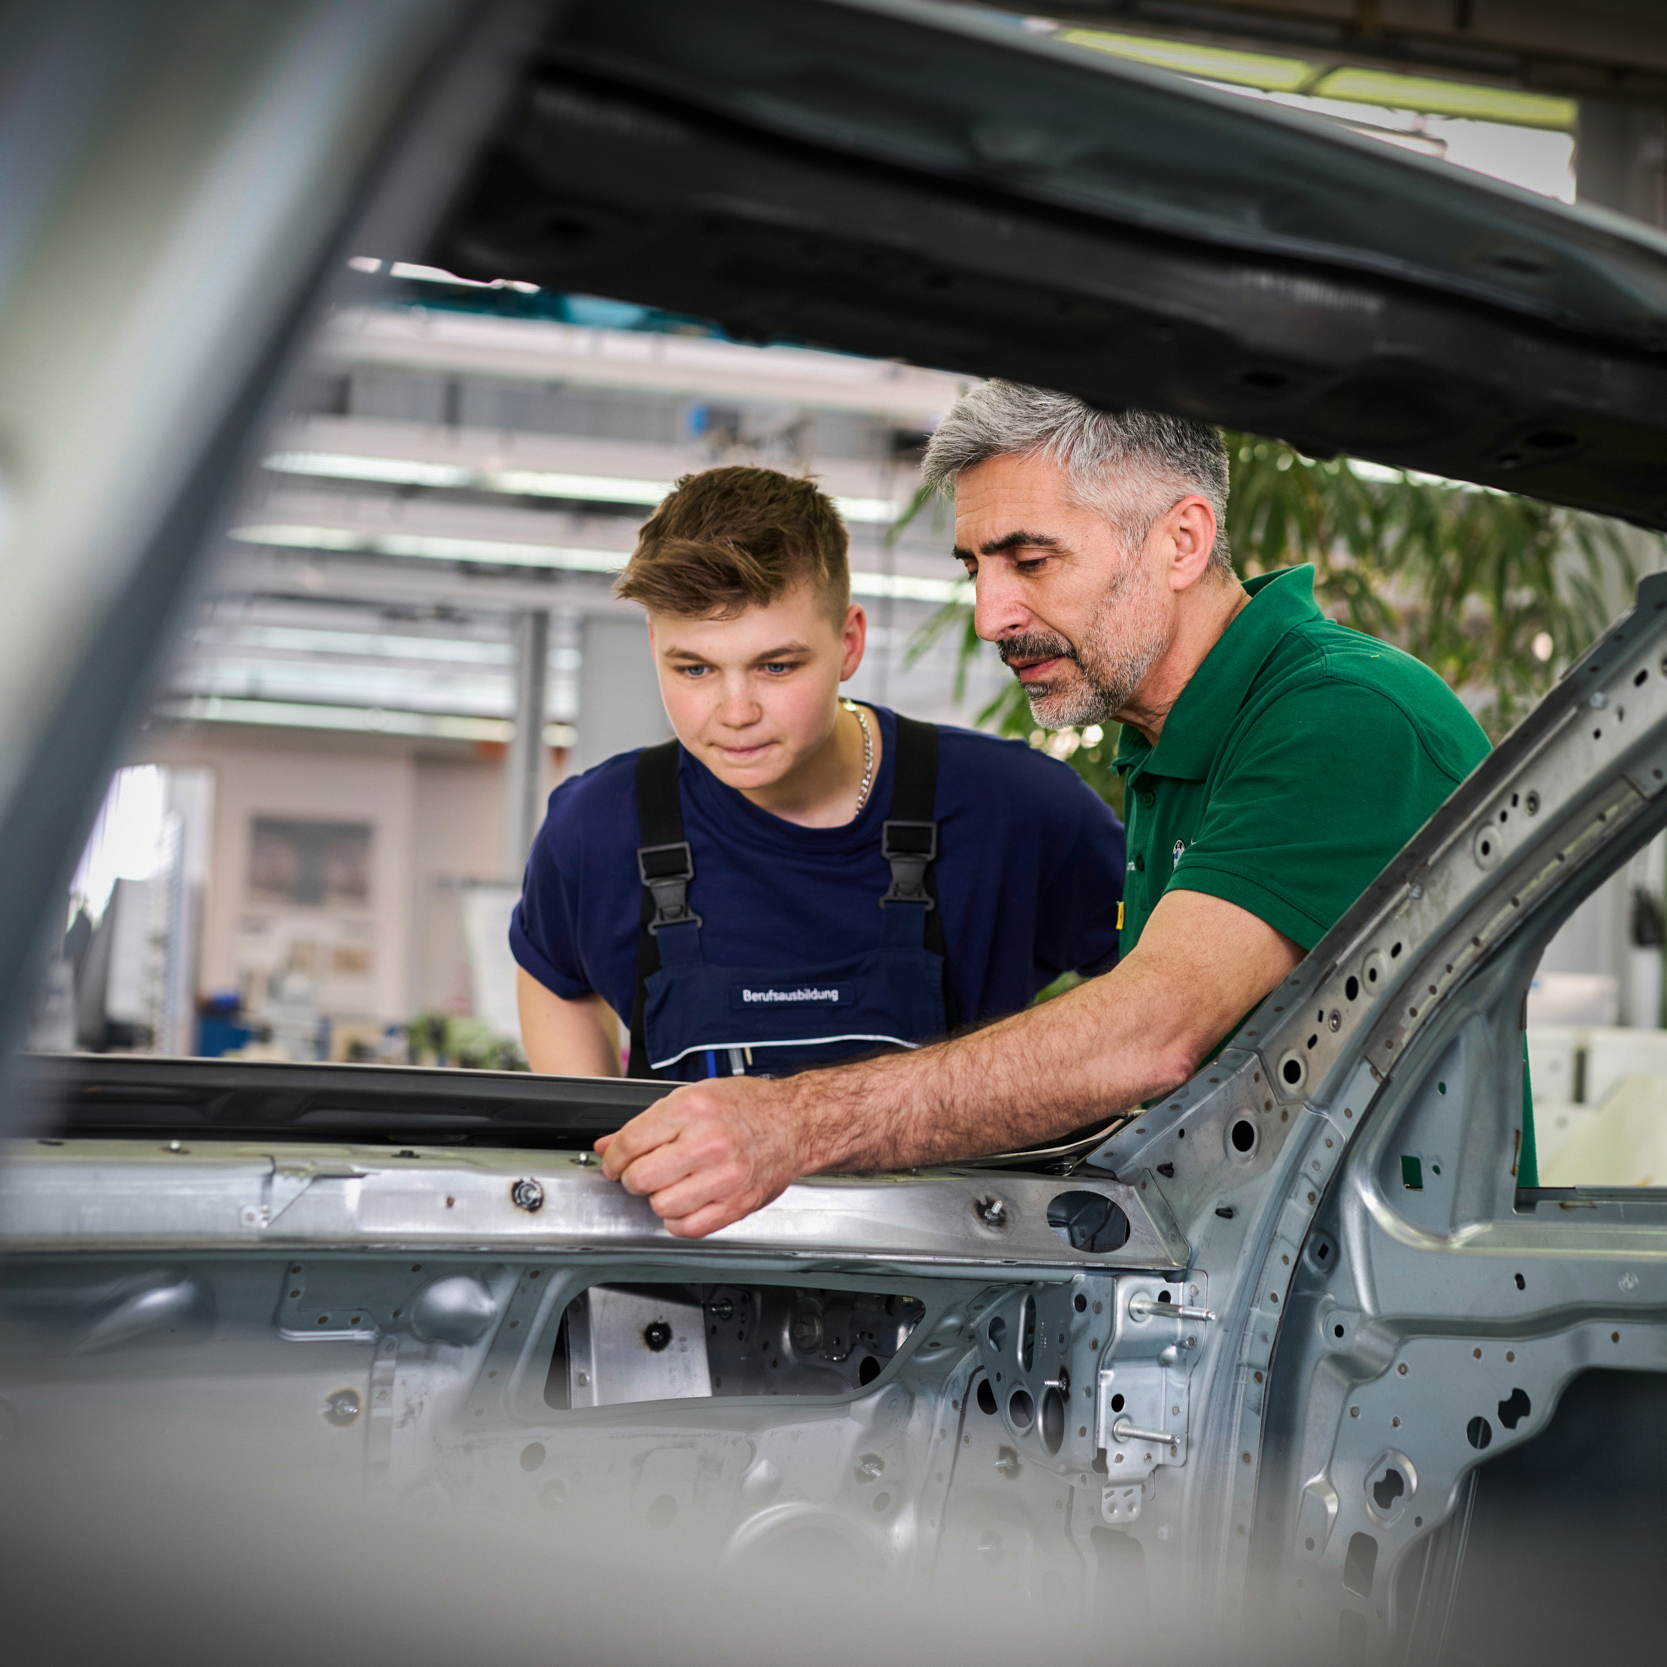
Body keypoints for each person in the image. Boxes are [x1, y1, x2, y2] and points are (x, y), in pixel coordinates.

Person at [594, 384, 1496, 1237]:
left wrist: (792, 1122)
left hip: (1371, 1323)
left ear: (1181, 541)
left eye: (1030, 560)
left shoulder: (1339, 717)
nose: (990, 615)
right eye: (976, 566)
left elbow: (1147, 1034)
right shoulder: (1173, 745)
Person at [511, 463, 1126, 1083]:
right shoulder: (598, 830)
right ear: (654, 646)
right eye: (694, 669)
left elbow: (1168, 997)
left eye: (776, 667)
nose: (736, 713)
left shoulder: (1017, 810)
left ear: (849, 643)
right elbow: (554, 976)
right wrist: (590, 1140)